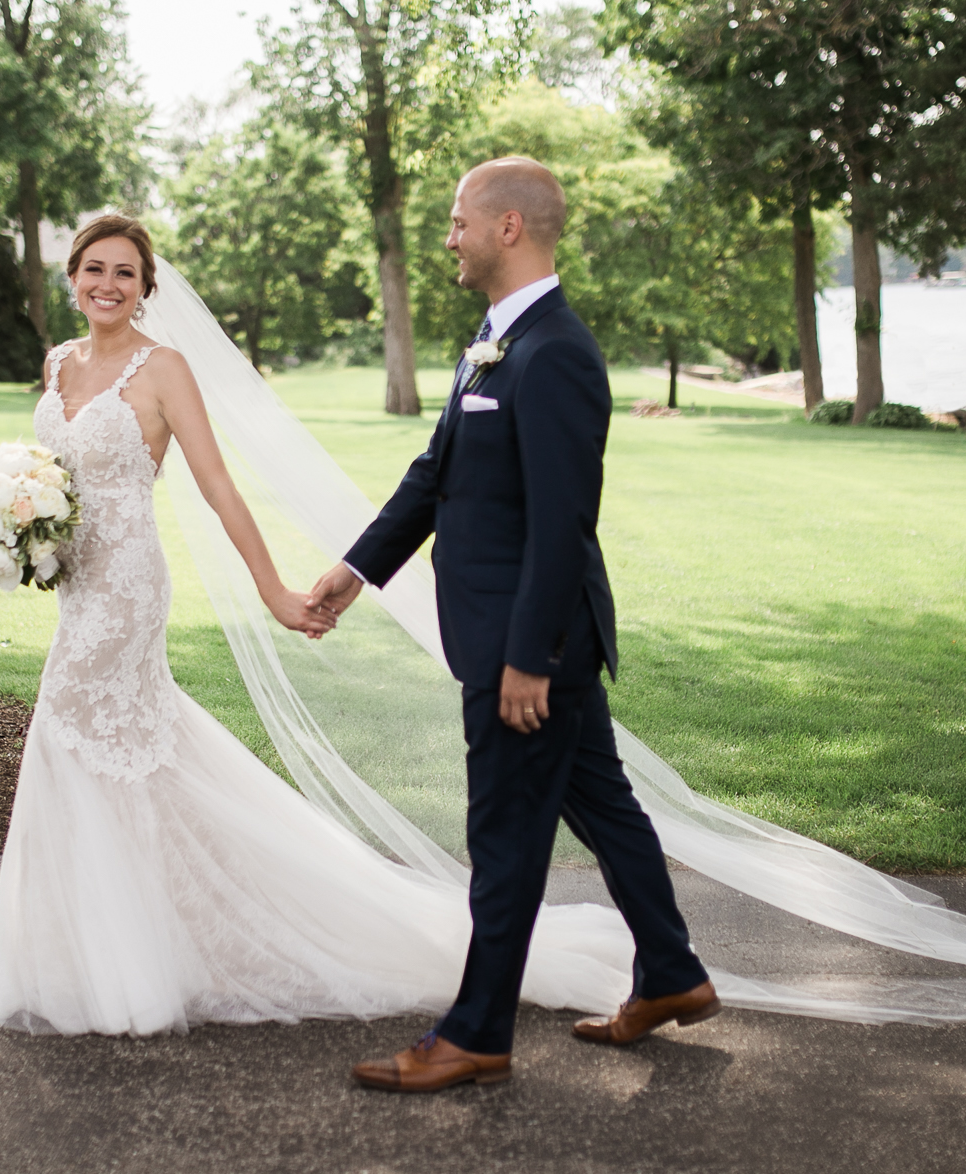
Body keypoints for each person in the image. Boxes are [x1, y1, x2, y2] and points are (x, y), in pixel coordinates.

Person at [0, 213, 638, 1037]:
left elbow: (219, 486)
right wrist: (18, 530)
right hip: (74, 588)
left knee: (80, 733)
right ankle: (102, 944)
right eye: (93, 269)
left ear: (147, 289)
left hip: (126, 593)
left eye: (125, 272)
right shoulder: (57, 365)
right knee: (100, 750)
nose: (107, 285)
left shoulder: (165, 370)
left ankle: (130, 960)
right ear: (70, 277)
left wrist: (272, 590)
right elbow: (54, 477)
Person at [307, 158, 718, 1094]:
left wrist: (529, 658)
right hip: (518, 641)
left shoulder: (556, 352)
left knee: (503, 841)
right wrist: (354, 568)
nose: (446, 238)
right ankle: (673, 973)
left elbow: (564, 520)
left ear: (507, 229)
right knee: (605, 809)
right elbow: (436, 475)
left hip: (526, 652)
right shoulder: (495, 342)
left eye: (457, 223)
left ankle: (476, 1034)